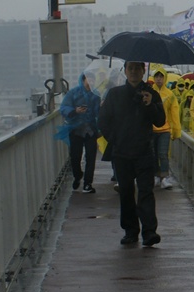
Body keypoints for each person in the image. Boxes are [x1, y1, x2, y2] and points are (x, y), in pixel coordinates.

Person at [100, 60, 167, 247]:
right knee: (126, 192)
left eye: (138, 68)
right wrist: (115, 138)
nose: (134, 72)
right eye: (130, 68)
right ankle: (130, 231)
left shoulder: (151, 94)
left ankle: (149, 231)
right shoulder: (115, 94)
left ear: (144, 70)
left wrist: (150, 104)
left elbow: (161, 121)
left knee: (146, 191)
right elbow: (103, 120)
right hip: (121, 152)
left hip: (145, 151)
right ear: (125, 71)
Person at [60, 70, 100, 193]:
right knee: (75, 157)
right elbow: (64, 107)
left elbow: (99, 113)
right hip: (75, 129)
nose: (91, 82)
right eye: (88, 79)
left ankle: (88, 183)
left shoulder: (96, 95)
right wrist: (75, 111)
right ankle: (78, 175)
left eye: (93, 79)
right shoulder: (73, 93)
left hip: (91, 130)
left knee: (91, 157)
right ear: (82, 80)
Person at [149, 67, 182, 190]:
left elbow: (174, 113)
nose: (158, 79)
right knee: (152, 155)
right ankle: (155, 175)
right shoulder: (149, 92)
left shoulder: (170, 95)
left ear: (164, 78)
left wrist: (176, 130)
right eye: (156, 76)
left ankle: (165, 177)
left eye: (161, 77)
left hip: (165, 130)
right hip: (151, 130)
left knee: (163, 154)